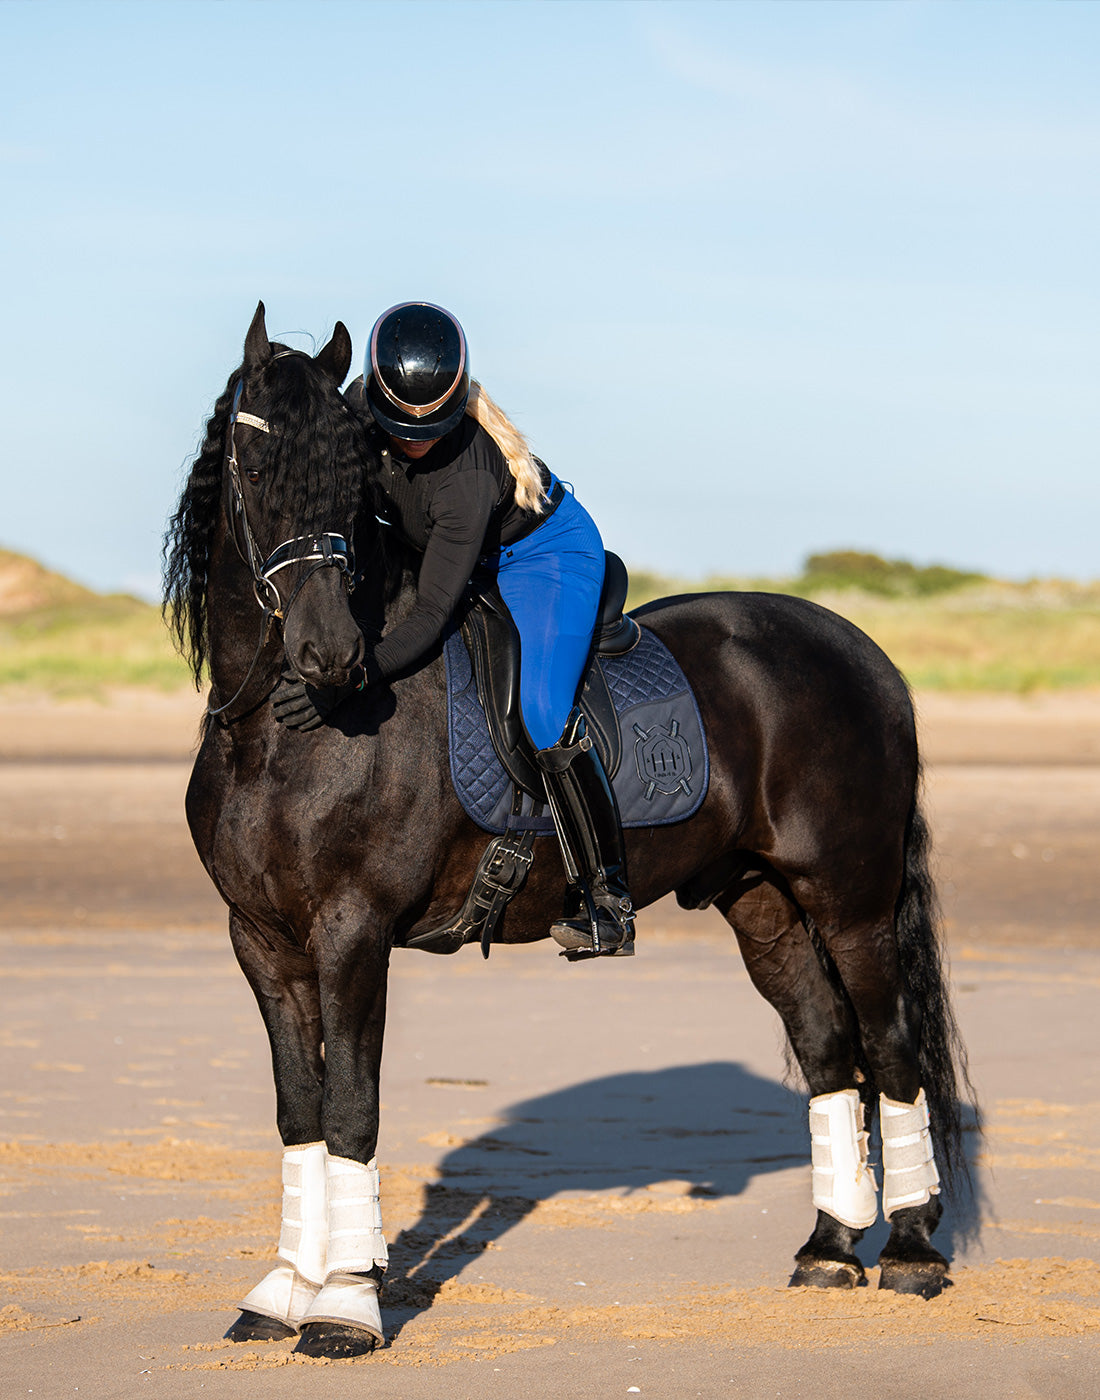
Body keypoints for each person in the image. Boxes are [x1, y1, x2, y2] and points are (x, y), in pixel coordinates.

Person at [277, 302, 634, 959]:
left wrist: (356, 679)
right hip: (435, 545)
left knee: (542, 712)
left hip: (540, 556)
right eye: (400, 429)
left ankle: (606, 896)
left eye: (431, 430)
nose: (415, 441)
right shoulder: (355, 411)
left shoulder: (465, 480)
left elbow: (429, 616)